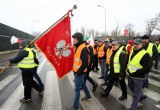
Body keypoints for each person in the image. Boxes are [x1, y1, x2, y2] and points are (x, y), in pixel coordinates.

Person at [127, 38, 151, 110]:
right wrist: (128, 69)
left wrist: (137, 72)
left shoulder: (145, 54)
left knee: (136, 93)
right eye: (134, 44)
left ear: (141, 44)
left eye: (137, 44)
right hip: (131, 75)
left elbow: (147, 68)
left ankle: (133, 107)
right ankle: (141, 95)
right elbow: (130, 62)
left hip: (139, 77)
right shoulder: (132, 51)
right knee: (130, 86)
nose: (135, 45)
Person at [72, 32, 91, 110]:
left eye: (75, 39)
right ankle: (88, 96)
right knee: (83, 84)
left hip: (79, 73)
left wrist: (78, 73)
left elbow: (85, 63)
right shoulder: (77, 46)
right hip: (76, 71)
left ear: (79, 39)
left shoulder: (83, 48)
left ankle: (75, 107)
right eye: (73, 39)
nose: (73, 40)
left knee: (76, 90)